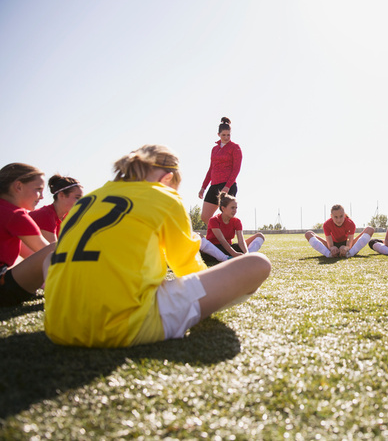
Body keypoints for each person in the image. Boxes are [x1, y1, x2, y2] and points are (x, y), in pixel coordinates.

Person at [44, 144, 270, 347]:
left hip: (57, 325)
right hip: (121, 324)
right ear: (167, 178)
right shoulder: (164, 197)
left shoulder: (87, 199)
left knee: (51, 257)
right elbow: (187, 268)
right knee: (257, 264)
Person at [0, 163, 55, 306]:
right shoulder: (15, 215)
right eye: (38, 190)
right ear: (18, 186)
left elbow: (30, 254)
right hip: (3, 292)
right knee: (58, 248)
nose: (42, 197)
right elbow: (52, 252)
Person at [199, 117, 243, 225]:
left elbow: (236, 169)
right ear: (218, 134)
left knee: (226, 217)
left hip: (228, 185)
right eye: (224, 135)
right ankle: (217, 239)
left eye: (228, 135)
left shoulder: (235, 148)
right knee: (205, 216)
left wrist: (227, 187)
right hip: (214, 185)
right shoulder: (214, 149)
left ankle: (227, 240)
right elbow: (211, 169)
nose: (226, 137)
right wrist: (203, 187)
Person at [199, 192, 265, 262]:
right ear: (223, 208)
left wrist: (246, 253)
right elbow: (222, 240)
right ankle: (225, 258)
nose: (235, 211)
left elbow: (241, 241)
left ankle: (247, 258)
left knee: (260, 236)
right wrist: (234, 253)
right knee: (198, 235)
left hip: (229, 248)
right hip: (214, 251)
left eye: (236, 208)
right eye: (232, 208)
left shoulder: (237, 221)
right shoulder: (214, 220)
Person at [305, 204, 374, 258]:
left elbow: (349, 244)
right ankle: (329, 254)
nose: (339, 220)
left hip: (346, 243)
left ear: (344, 215)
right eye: (336, 217)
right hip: (333, 243)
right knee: (308, 234)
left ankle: (350, 253)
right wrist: (332, 248)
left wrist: (346, 247)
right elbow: (330, 245)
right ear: (331, 216)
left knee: (370, 229)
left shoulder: (350, 223)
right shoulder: (326, 224)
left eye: (341, 216)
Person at [30, 174, 83, 242]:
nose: (81, 202)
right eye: (77, 198)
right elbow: (54, 250)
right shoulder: (45, 215)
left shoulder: (68, 217)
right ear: (61, 195)